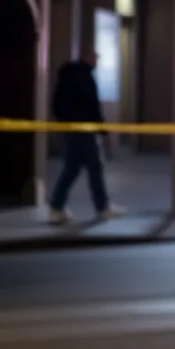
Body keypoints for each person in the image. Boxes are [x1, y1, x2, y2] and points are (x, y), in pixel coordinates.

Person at [47, 51, 125, 223]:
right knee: (95, 167)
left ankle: (57, 206)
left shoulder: (66, 76)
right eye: (96, 58)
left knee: (72, 168)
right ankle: (102, 206)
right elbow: (92, 107)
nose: (96, 62)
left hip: (69, 128)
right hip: (84, 130)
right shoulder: (86, 78)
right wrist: (102, 130)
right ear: (89, 59)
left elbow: (56, 103)